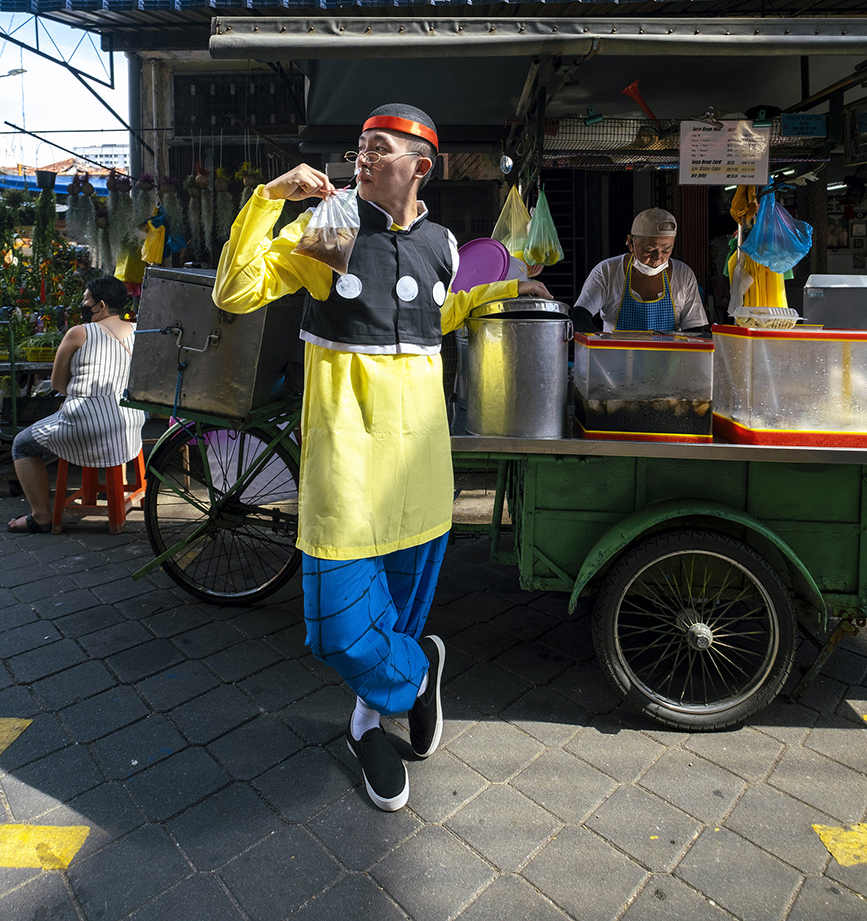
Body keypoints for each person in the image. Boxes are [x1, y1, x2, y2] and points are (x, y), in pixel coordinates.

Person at [213, 103, 552, 812]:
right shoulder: (331, 225)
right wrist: (268, 198)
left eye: (378, 149)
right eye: (359, 148)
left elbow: (440, 313)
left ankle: (366, 723)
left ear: (420, 166)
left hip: (421, 467)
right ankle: (418, 676)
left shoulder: (443, 242)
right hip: (345, 465)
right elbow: (235, 291)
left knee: (396, 613)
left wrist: (505, 289)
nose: (361, 158)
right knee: (335, 632)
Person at [7, 277, 145, 534]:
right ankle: (119, 487)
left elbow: (58, 383)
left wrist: (78, 397)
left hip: (86, 423)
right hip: (129, 419)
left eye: (86, 299)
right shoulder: (139, 331)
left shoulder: (79, 332)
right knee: (103, 424)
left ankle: (40, 516)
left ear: (101, 305)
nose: (83, 304)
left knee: (21, 445)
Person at [571, 207, 708, 334]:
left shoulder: (683, 274)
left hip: (668, 353)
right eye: (649, 249)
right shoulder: (607, 271)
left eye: (666, 250)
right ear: (631, 243)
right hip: (617, 352)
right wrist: (598, 339)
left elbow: (695, 328)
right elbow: (579, 315)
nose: (658, 258)